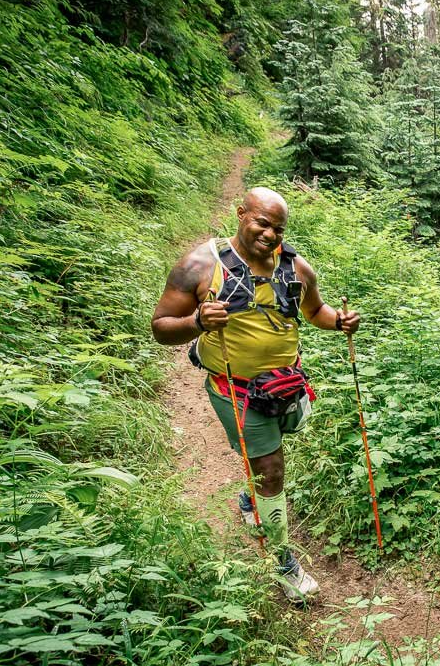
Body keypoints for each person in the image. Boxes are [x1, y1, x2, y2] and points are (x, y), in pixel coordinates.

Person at [151, 186, 360, 601]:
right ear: (241, 213)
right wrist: (197, 322)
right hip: (235, 388)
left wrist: (339, 322)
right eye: (262, 223)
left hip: (285, 385)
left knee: (275, 448)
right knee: (272, 467)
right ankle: (284, 564)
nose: (270, 234)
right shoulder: (199, 265)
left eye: (278, 228)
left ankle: (250, 500)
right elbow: (160, 327)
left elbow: (315, 311)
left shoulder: (296, 267)